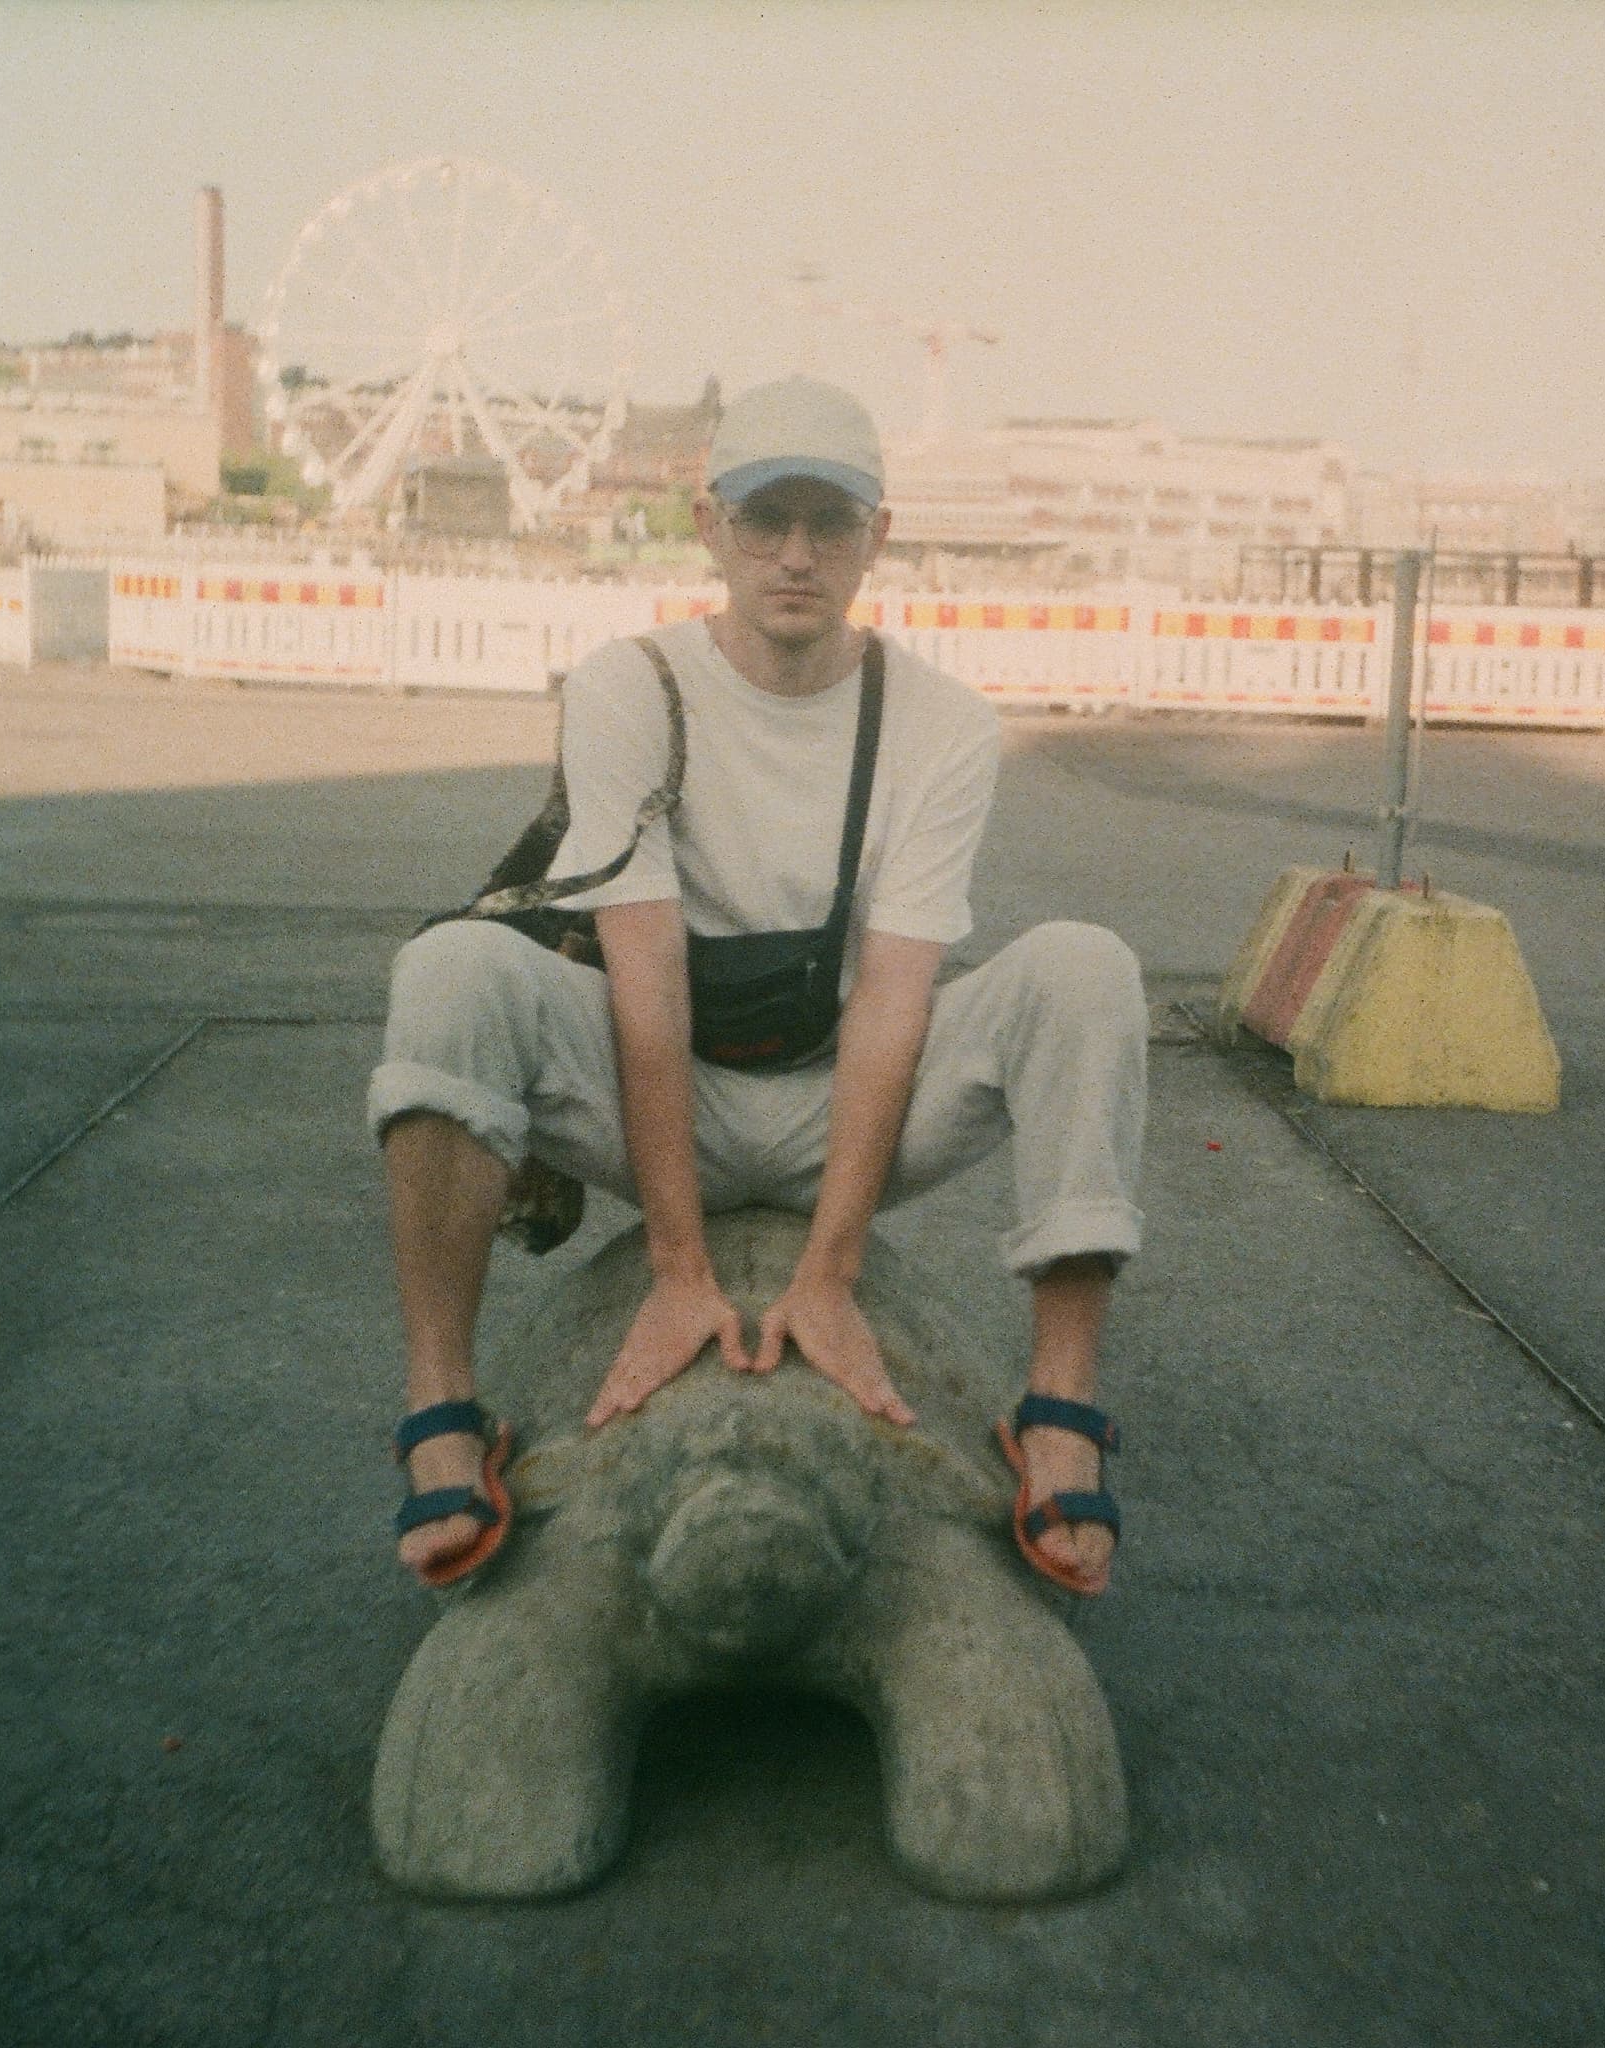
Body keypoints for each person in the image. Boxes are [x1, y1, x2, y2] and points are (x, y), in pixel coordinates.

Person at [367, 376, 1145, 1597]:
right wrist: (677, 1267)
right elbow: (646, 978)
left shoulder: (940, 726)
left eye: (829, 523)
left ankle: (1058, 1404)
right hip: (653, 1091)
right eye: (761, 519)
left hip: (845, 1093)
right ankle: (444, 1406)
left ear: (878, 535)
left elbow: (894, 996)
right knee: (451, 971)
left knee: (1084, 970)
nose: (794, 555)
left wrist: (829, 1275)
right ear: (707, 525)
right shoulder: (632, 687)